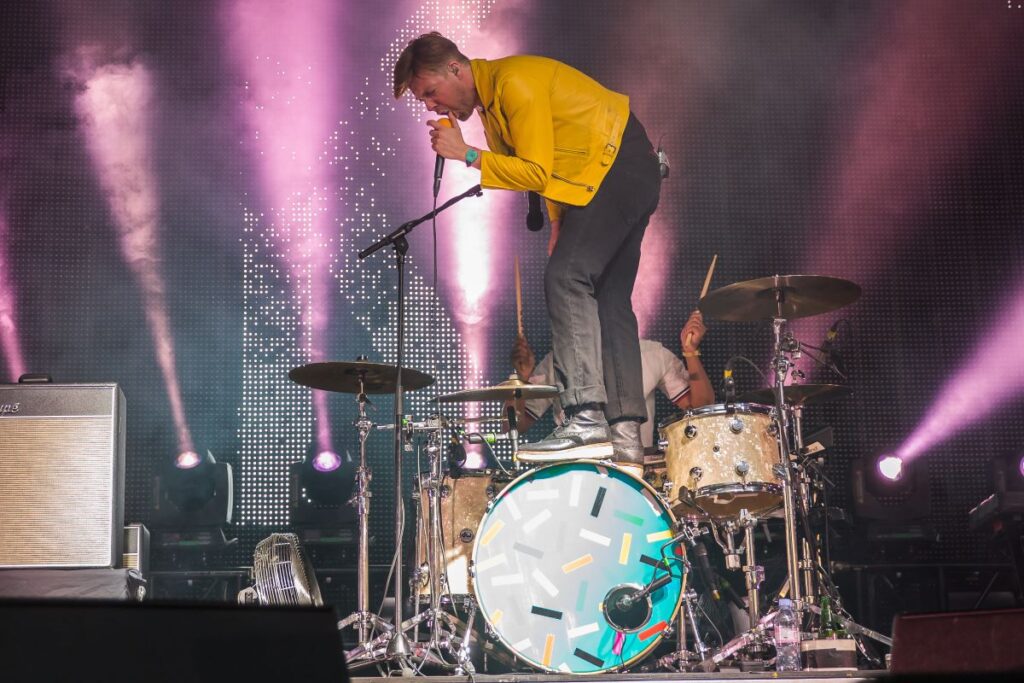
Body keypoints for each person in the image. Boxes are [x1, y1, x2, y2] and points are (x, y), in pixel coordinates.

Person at [394, 33, 663, 465]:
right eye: (422, 100)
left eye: (429, 92)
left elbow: (536, 170)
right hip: (621, 171)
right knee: (609, 299)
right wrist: (558, 221)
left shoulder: (513, 82)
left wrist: (466, 153)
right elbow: (549, 164)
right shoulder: (492, 105)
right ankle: (626, 434)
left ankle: (585, 419)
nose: (429, 105)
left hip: (616, 167)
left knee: (566, 278)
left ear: (456, 69)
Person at [506, 310, 715, 460]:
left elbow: (700, 408)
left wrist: (690, 352)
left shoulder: (651, 354)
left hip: (633, 468)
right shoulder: (558, 361)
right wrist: (520, 379)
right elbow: (513, 425)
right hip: (578, 470)